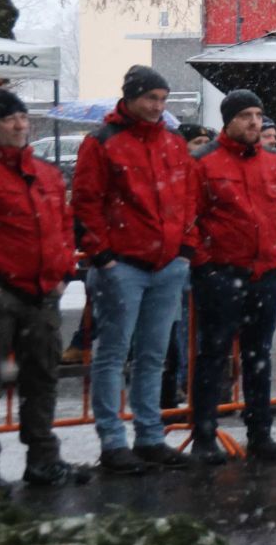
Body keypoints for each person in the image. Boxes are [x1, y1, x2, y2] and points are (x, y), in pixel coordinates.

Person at [74, 65, 199, 476]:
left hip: (164, 264)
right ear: (130, 98)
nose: (158, 107)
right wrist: (103, 254)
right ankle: (113, 441)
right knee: (114, 354)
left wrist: (183, 248)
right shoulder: (103, 143)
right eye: (151, 99)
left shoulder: (171, 142)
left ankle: (148, 436)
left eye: (162, 100)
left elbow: (187, 198)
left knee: (152, 355)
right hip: (124, 263)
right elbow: (87, 202)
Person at [0, 90, 79, 488]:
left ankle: (43, 458)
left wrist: (62, 273)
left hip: (41, 294)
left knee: (42, 378)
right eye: (10, 119)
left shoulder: (47, 173)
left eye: (23, 117)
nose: (21, 125)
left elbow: (62, 225)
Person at [193, 89, 276, 464]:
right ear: (228, 120)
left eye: (258, 115)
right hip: (221, 273)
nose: (253, 122)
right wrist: (204, 264)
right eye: (245, 115)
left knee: (258, 355)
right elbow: (188, 217)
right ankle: (204, 435)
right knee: (213, 356)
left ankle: (259, 433)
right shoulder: (204, 162)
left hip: (264, 274)